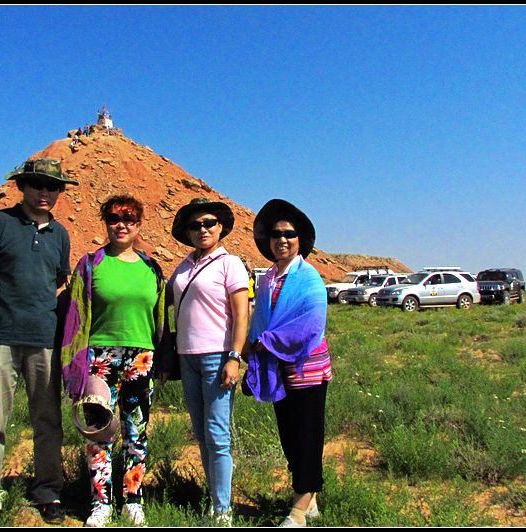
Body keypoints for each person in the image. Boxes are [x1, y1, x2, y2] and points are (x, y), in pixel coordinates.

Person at [0, 158, 79, 523]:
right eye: (38, 185)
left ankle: (48, 490)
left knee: (47, 420)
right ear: (22, 187)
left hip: (44, 339)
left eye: (52, 187)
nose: (45, 193)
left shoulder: (60, 234)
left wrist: (65, 329)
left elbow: (62, 282)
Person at [60, 195, 167, 527]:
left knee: (136, 431)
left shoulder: (152, 268)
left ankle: (133, 499)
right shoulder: (91, 264)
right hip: (99, 359)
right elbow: (75, 318)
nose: (122, 224)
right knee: (98, 432)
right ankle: (100, 502)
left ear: (139, 224)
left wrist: (161, 360)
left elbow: (161, 317)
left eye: (130, 219)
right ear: (104, 222)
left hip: (141, 359)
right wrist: (73, 366)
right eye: (114, 218)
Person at [159, 198, 249, 525]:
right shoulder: (183, 266)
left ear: (221, 226)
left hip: (218, 356)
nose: (203, 229)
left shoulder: (230, 264)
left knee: (218, 432)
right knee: (201, 431)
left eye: (209, 223)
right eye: (195, 225)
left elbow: (241, 314)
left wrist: (234, 357)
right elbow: (163, 301)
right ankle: (213, 496)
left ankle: (222, 509)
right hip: (187, 357)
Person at [243, 199, 332, 528]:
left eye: (289, 234)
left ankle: (297, 511)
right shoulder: (267, 278)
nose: (282, 239)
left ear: (300, 239)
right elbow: (260, 319)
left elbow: (310, 324)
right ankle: (310, 497)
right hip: (278, 371)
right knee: (290, 435)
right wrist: (252, 348)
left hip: (306, 367)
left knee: (308, 435)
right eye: (276, 234)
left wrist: (264, 342)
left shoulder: (309, 278)